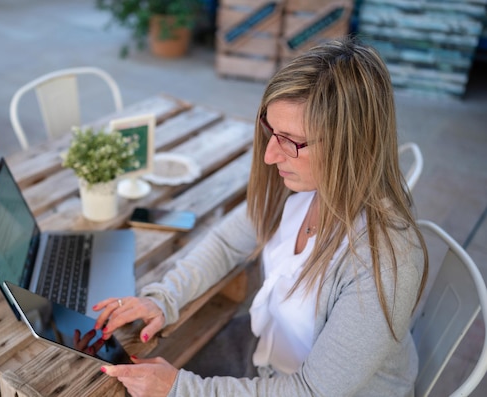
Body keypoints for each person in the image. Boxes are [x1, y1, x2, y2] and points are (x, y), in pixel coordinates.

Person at [92, 36, 429, 396]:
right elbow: (224, 242)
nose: (270, 156)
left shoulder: (385, 261)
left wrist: (181, 389)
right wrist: (164, 298)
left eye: (290, 141)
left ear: (351, 144)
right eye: (271, 131)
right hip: (268, 357)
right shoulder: (302, 187)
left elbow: (312, 392)